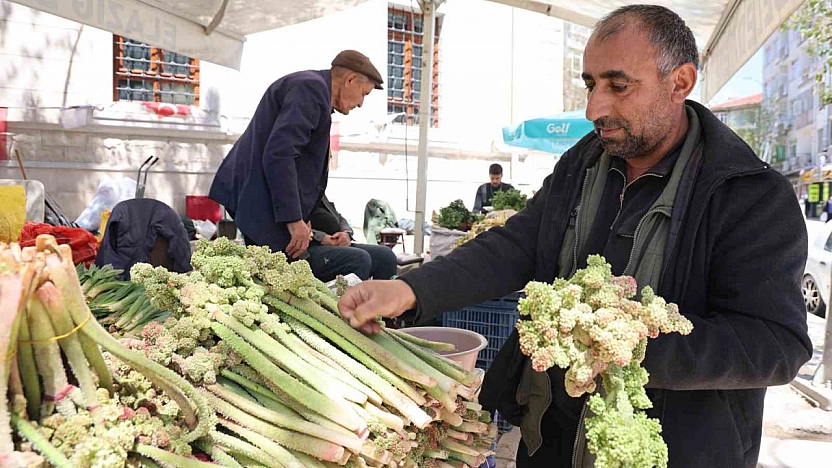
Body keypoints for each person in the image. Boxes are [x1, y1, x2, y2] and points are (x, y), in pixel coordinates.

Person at [337, 5, 812, 468]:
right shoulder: (585, 161)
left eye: (618, 86)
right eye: (590, 84)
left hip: (673, 449)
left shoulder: (748, 194)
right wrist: (410, 289)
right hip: (550, 438)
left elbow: (777, 344)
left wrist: (626, 345)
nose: (594, 108)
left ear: (680, 82)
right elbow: (519, 244)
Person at [209, 50, 383, 259]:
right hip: (257, 196)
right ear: (350, 80)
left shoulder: (314, 89)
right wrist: (294, 220)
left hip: (263, 196)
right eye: (364, 93)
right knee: (276, 269)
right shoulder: (311, 88)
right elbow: (280, 155)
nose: (361, 103)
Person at [305, 192, 397, 282]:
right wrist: (321, 237)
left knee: (385, 255)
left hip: (336, 243)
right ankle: (353, 293)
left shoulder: (318, 191)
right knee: (359, 259)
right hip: (309, 246)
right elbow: (297, 227)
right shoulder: (299, 191)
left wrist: (346, 232)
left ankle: (381, 292)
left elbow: (339, 217)